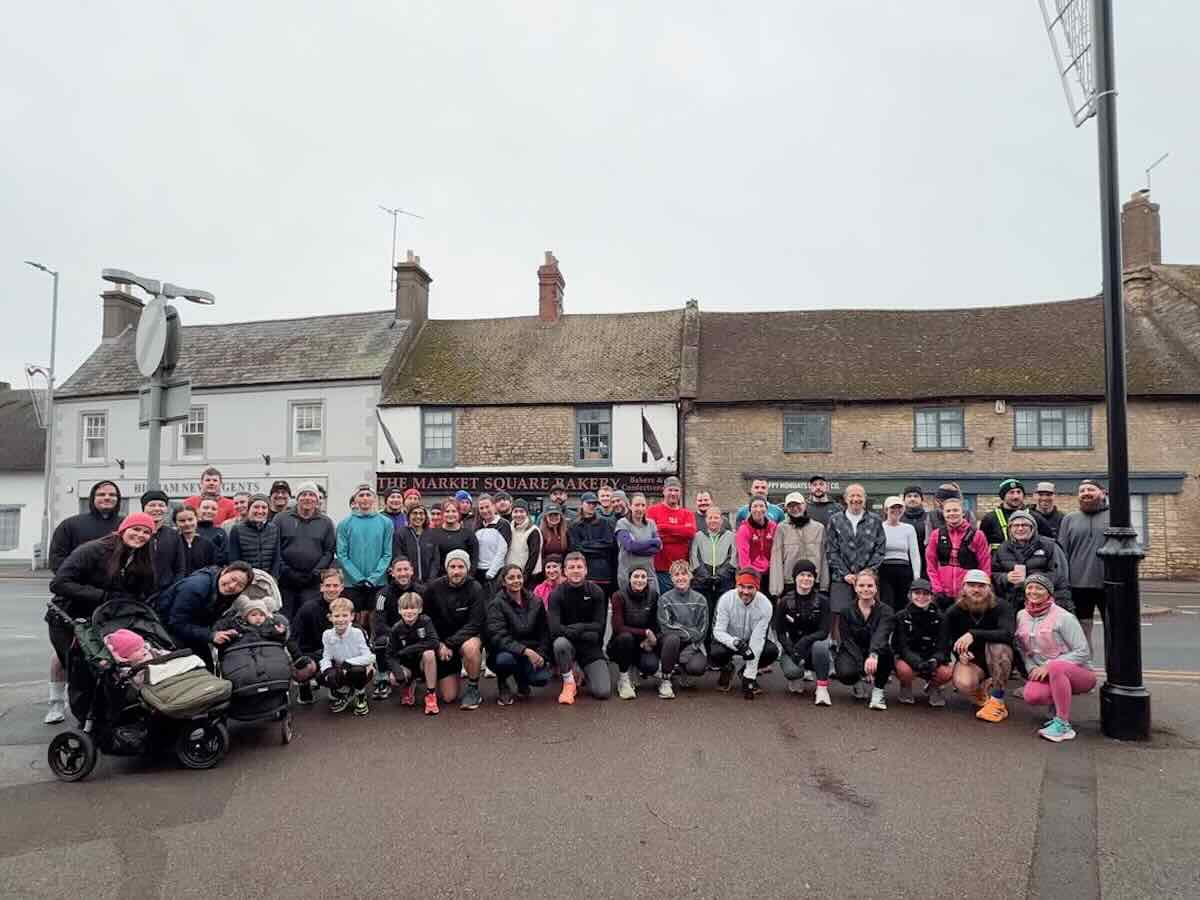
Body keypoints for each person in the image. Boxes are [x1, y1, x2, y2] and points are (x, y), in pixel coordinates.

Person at [45, 478, 126, 724]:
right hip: (73, 604)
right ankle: (56, 704)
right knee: (65, 656)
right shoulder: (71, 525)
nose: (107, 498)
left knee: (104, 658)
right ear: (92, 498)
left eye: (112, 495)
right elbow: (58, 564)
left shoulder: (124, 526)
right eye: (102, 494)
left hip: (108, 606)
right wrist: (83, 586)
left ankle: (95, 709)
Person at [1014, 573, 1096, 743]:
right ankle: (1058, 703)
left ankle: (1063, 724)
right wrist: (1032, 668)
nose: (1033, 591)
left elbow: (1083, 651)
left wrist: (1049, 666)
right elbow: (1023, 649)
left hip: (1080, 674)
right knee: (1032, 696)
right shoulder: (1021, 615)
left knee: (1056, 667)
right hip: (1047, 673)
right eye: (1029, 587)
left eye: (1039, 588)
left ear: (1049, 593)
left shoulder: (1064, 617)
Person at [49, 513, 157, 638]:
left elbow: (144, 589)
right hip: (69, 617)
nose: (140, 535)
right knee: (71, 657)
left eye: (146, 532)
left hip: (106, 619)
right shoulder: (91, 551)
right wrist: (104, 596)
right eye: (136, 529)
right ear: (123, 530)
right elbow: (58, 584)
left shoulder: (141, 556)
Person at [943, 569, 1015, 724]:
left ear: (989, 588)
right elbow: (946, 640)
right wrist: (959, 655)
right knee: (963, 682)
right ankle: (981, 690)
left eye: (981, 586)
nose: (976, 590)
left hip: (1000, 656)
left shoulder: (1002, 606)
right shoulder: (953, 611)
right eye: (971, 585)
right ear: (964, 588)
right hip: (974, 660)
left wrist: (974, 634)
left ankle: (998, 702)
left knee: (998, 647)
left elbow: (1008, 634)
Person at [423, 549, 487, 708]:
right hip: (443, 644)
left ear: (467, 568)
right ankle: (452, 672)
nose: (456, 571)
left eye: (461, 566)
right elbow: (425, 621)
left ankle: (473, 689)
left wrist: (450, 644)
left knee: (471, 648)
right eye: (452, 566)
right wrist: (438, 644)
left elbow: (475, 624)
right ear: (446, 568)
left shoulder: (476, 588)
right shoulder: (433, 588)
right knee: (449, 697)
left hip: (465, 639)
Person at [161, 561, 254, 669]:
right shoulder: (196, 587)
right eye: (233, 579)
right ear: (224, 571)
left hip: (191, 627)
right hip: (164, 629)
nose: (233, 586)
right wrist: (211, 635)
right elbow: (176, 623)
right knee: (202, 667)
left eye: (240, 585)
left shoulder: (227, 593)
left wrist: (224, 631)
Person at [547, 551, 611, 704]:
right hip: (568, 645)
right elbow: (555, 630)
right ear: (565, 571)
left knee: (602, 692)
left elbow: (599, 627)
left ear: (586, 570)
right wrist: (585, 630)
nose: (576, 570)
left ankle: (582, 670)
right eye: (572, 567)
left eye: (579, 567)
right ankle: (569, 682)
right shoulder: (556, 594)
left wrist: (577, 628)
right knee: (560, 644)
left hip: (590, 648)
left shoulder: (596, 591)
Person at [823, 484, 886, 639]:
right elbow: (831, 550)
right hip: (841, 578)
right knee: (839, 616)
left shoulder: (875, 520)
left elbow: (880, 549)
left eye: (859, 496)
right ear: (845, 499)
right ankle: (839, 651)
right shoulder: (835, 520)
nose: (856, 499)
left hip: (868, 580)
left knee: (870, 615)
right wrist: (845, 574)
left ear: (865, 499)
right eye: (852, 496)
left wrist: (867, 573)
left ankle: (868, 651)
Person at [487, 564, 553, 705]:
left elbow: (544, 632)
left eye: (519, 577)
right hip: (505, 652)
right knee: (505, 661)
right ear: (504, 582)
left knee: (541, 678)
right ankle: (503, 682)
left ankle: (522, 680)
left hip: (531, 650)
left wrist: (541, 654)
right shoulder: (496, 604)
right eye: (511, 578)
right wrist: (525, 651)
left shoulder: (536, 601)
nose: (516, 580)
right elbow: (498, 637)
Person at [1059, 479, 1111, 659]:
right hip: (1078, 586)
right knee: (1081, 635)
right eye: (1082, 490)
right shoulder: (1069, 519)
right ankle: (1086, 672)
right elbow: (1062, 553)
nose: (1086, 493)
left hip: (1109, 585)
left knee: (1114, 631)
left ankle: (1116, 673)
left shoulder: (1116, 516)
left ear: (1103, 493)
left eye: (1091, 489)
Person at [831, 569, 894, 710]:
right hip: (853, 651)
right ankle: (857, 681)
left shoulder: (886, 611)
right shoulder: (846, 611)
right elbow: (847, 640)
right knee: (845, 673)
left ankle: (878, 692)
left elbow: (881, 635)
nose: (866, 589)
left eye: (870, 586)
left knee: (887, 653)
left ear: (876, 587)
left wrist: (873, 655)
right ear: (855, 587)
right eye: (861, 585)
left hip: (877, 652)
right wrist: (862, 667)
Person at [711, 568, 778, 698]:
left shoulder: (765, 605)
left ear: (757, 588)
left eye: (750, 587)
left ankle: (743, 673)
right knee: (715, 652)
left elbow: (757, 640)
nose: (745, 592)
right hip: (729, 639)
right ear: (736, 585)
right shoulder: (725, 599)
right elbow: (718, 631)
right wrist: (734, 642)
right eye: (741, 587)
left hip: (751, 640)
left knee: (772, 651)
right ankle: (727, 668)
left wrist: (750, 675)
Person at [774, 560, 833, 705]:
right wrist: (791, 651)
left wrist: (805, 641)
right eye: (802, 575)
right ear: (795, 577)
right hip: (793, 648)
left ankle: (821, 688)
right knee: (793, 672)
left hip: (813, 646)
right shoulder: (785, 602)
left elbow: (824, 632)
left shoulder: (823, 601)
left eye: (810, 575)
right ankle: (798, 673)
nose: (806, 579)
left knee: (821, 647)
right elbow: (780, 633)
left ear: (814, 578)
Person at [335, 483, 393, 630]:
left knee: (376, 619)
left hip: (378, 582)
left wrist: (374, 578)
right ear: (355, 500)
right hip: (352, 583)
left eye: (368, 495)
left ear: (374, 499)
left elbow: (387, 553)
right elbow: (342, 554)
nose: (365, 498)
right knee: (355, 621)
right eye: (361, 495)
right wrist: (358, 577)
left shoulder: (386, 523)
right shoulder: (344, 524)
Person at [275, 481, 336, 620]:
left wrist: (316, 572)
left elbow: (329, 551)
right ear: (297, 498)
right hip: (286, 581)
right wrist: (286, 571)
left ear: (317, 499)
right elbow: (275, 548)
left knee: (309, 616)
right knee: (284, 617)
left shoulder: (325, 522)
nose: (307, 498)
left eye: (311, 495)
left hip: (312, 582)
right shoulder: (281, 519)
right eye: (303, 494)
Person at [991, 509, 1070, 611]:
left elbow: (1060, 574)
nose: (1020, 528)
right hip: (1013, 602)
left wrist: (1034, 581)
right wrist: (1005, 577)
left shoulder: (1049, 546)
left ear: (1032, 528)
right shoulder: (1002, 549)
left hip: (1045, 601)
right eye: (1016, 525)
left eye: (1024, 525)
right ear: (1010, 529)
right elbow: (994, 573)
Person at [892, 578, 952, 707]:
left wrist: (935, 660)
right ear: (910, 595)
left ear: (932, 596)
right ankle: (905, 686)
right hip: (909, 658)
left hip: (931, 657)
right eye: (917, 593)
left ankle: (933, 687)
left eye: (926, 593)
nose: (921, 597)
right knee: (904, 670)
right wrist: (917, 663)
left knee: (946, 673)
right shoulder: (901, 616)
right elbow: (901, 646)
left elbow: (944, 645)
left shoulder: (941, 617)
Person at [925, 497, 991, 609]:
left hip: (968, 593)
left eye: (955, 510)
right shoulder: (936, 535)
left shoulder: (977, 535)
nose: (952, 513)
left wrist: (980, 588)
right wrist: (937, 589)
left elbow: (985, 565)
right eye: (948, 511)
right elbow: (931, 565)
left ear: (963, 512)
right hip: (943, 594)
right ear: (943, 514)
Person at [656, 560, 710, 698]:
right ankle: (666, 679)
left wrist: (691, 648)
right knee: (672, 638)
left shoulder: (700, 599)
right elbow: (666, 626)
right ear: (671, 578)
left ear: (690, 576)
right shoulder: (664, 599)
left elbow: (702, 630)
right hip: (671, 642)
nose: (680, 578)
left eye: (684, 574)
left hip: (692, 644)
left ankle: (684, 670)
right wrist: (688, 632)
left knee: (697, 667)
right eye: (676, 575)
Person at [291, 567, 343, 705]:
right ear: (321, 587)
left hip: (336, 654)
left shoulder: (346, 607)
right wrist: (299, 658)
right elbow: (292, 637)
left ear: (342, 587)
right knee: (304, 668)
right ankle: (304, 685)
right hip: (312, 654)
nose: (331, 589)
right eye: (328, 585)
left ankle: (334, 686)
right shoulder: (308, 608)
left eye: (335, 585)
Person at [384, 591, 440, 715]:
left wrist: (408, 649)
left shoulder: (426, 621)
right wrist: (398, 672)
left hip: (422, 663)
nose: (409, 612)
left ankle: (431, 694)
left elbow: (434, 642)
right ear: (399, 610)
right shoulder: (396, 629)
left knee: (429, 654)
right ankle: (408, 685)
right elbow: (389, 655)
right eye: (405, 608)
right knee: (393, 678)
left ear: (420, 609)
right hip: (407, 665)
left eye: (413, 608)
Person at [319, 596, 376, 716]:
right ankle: (344, 692)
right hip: (341, 668)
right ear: (330, 617)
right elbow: (326, 656)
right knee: (321, 675)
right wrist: (327, 671)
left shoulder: (357, 632)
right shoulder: (327, 634)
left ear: (352, 617)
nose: (341, 619)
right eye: (337, 616)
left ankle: (360, 695)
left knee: (357, 670)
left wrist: (348, 662)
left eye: (345, 615)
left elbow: (370, 657)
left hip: (360, 668)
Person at [609, 566, 659, 699]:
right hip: (621, 643)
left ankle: (637, 668)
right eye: (636, 576)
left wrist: (649, 639)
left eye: (643, 577)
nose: (639, 580)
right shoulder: (618, 596)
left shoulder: (653, 595)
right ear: (629, 579)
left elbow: (654, 623)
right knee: (626, 637)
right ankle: (623, 679)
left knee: (651, 666)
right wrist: (645, 632)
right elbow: (618, 627)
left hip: (643, 644)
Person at [690, 506, 736, 647]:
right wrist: (706, 575)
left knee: (722, 617)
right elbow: (693, 557)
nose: (713, 520)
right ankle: (706, 647)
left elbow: (733, 557)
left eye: (716, 517)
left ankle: (721, 649)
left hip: (724, 583)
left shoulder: (731, 536)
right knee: (706, 616)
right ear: (706, 520)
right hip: (703, 584)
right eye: (710, 517)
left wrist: (720, 574)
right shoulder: (698, 536)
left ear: (722, 520)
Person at [768, 492, 828, 598]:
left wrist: (824, 585)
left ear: (804, 505)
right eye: (791, 506)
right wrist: (776, 589)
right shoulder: (781, 528)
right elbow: (776, 558)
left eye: (798, 505)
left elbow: (823, 558)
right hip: (790, 582)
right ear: (786, 509)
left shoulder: (819, 528)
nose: (795, 508)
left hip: (813, 580)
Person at [646, 476, 697, 596]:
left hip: (681, 571)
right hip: (659, 569)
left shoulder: (687, 514)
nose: (673, 493)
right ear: (663, 490)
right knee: (663, 603)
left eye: (676, 490)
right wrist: (680, 534)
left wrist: (664, 527)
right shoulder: (653, 511)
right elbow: (652, 534)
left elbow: (690, 532)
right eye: (670, 490)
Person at [568, 492, 617, 597]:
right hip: (583, 573)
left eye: (594, 504)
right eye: (589, 503)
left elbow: (609, 545)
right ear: (581, 504)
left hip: (604, 574)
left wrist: (586, 545)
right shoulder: (574, 525)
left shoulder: (605, 523)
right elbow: (576, 548)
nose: (592, 506)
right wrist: (599, 546)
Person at [139, 489, 187, 593]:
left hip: (166, 592)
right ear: (143, 508)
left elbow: (180, 568)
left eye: (161, 505)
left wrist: (173, 589)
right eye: (152, 505)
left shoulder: (173, 535)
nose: (157, 508)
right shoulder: (136, 533)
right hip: (138, 593)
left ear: (166, 508)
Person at [879, 496, 921, 611]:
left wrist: (916, 575)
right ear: (886, 509)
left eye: (899, 508)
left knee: (903, 603)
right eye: (893, 507)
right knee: (886, 602)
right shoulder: (879, 527)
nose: (896, 510)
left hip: (904, 570)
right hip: (885, 570)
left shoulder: (909, 528)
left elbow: (914, 553)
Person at [614, 492, 662, 593]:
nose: (640, 508)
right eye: (637, 505)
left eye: (643, 505)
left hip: (649, 575)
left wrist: (637, 546)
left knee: (654, 604)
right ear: (630, 506)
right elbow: (629, 546)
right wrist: (653, 541)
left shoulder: (651, 524)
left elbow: (658, 547)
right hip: (627, 575)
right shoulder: (623, 523)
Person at [227, 494, 282, 578]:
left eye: (264, 507)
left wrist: (273, 578)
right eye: (256, 507)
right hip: (245, 579)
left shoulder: (274, 529)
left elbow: (276, 558)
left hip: (268, 579)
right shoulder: (237, 529)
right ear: (249, 509)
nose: (260, 511)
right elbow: (234, 559)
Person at [426, 500, 478, 576]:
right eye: (447, 511)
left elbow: (474, 560)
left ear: (459, 513)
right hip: (439, 580)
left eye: (454, 511)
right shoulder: (433, 534)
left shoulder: (468, 535)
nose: (450, 514)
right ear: (443, 514)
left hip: (462, 579)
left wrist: (468, 577)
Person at [212, 597, 288, 647]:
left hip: (267, 651)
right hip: (242, 653)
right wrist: (230, 635)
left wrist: (280, 633)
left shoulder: (270, 626)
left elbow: (280, 641)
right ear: (245, 617)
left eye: (262, 615)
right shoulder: (237, 625)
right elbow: (219, 628)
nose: (258, 618)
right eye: (253, 615)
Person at [472, 494, 511, 592]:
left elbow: (502, 551)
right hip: (478, 572)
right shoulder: (478, 526)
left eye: (487, 507)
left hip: (494, 574)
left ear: (493, 506)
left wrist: (491, 573)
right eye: (481, 508)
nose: (484, 510)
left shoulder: (503, 524)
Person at [393, 504, 437, 586]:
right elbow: (398, 557)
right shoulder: (400, 534)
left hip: (428, 583)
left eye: (421, 513)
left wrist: (431, 580)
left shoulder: (432, 534)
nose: (418, 516)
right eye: (415, 513)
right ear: (409, 516)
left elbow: (435, 560)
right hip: (408, 582)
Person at [979, 478, 1028, 552]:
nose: (1016, 496)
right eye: (1011, 492)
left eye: (1019, 492)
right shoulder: (990, 518)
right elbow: (980, 547)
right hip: (999, 562)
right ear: (1003, 496)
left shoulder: (1034, 516)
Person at [735, 497, 777, 585]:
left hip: (771, 572)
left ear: (766, 509)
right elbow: (743, 558)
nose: (758, 509)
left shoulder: (773, 527)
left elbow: (777, 550)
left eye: (762, 506)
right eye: (755, 506)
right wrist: (750, 575)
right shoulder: (744, 529)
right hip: (752, 573)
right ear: (750, 510)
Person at [173, 505, 217, 575]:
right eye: (182, 521)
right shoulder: (172, 544)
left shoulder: (207, 544)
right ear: (175, 523)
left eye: (190, 519)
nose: (187, 523)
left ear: (197, 519)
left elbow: (213, 568)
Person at [505, 500, 542, 583]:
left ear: (527, 513)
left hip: (527, 577)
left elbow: (533, 556)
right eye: (515, 511)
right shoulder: (509, 528)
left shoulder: (533, 531)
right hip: (511, 574)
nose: (518, 514)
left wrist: (524, 576)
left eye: (522, 511)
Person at [900, 485, 930, 573]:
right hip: (905, 565)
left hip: (926, 565)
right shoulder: (899, 519)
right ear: (904, 499)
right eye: (909, 496)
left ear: (921, 499)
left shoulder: (929, 518)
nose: (912, 499)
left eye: (916, 496)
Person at [195, 497, 228, 563]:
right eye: (205, 508)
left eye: (213, 509)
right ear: (198, 510)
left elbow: (225, 556)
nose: (209, 511)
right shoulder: (190, 530)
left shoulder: (220, 532)